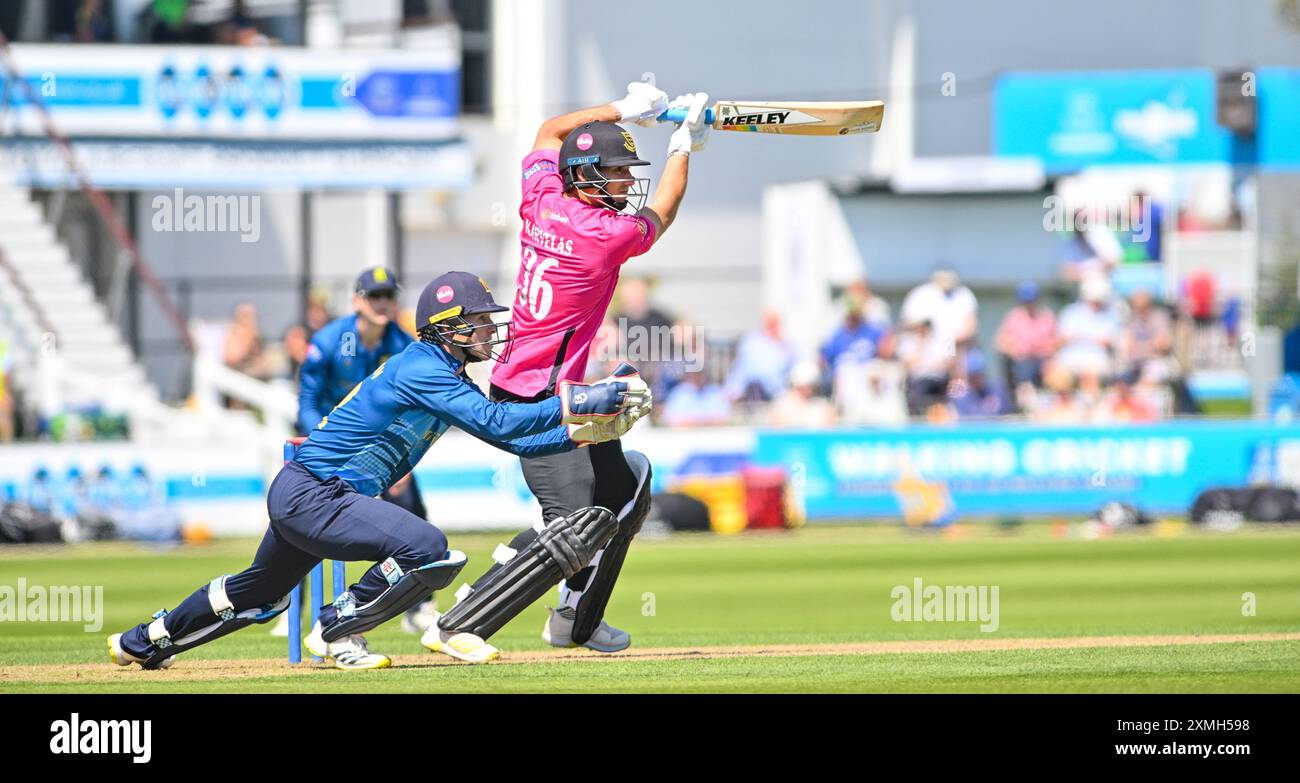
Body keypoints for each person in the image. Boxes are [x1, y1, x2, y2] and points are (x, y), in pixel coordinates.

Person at [107, 271, 651, 671]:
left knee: (259, 594)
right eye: (479, 322)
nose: (490, 331)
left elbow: (505, 433)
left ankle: (145, 639)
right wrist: (578, 399)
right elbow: (497, 418)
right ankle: (333, 629)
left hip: (314, 494)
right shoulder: (423, 368)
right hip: (317, 494)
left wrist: (592, 428)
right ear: (449, 329)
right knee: (431, 550)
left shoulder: (446, 375)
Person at [443, 81, 709, 656]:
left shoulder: (542, 199)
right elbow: (661, 212)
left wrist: (623, 110)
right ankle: (463, 619)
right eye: (616, 173)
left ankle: (575, 619)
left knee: (626, 488)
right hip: (537, 401)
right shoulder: (602, 236)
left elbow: (547, 133)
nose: (626, 183)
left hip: (550, 391)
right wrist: (683, 147)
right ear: (586, 178)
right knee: (573, 524)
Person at [296, 267, 436, 634]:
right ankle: (291, 610)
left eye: (389, 295)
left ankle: (418, 606)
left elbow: (413, 411)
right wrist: (329, 445)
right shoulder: (328, 342)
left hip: (382, 448)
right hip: (328, 447)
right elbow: (307, 404)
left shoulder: (403, 345)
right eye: (374, 296)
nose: (383, 303)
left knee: (414, 513)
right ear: (357, 300)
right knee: (304, 528)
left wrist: (402, 461)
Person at [725, 310, 797, 403]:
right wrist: (732, 390)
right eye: (768, 323)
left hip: (778, 396)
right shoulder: (752, 342)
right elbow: (740, 369)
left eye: (774, 323)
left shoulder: (788, 345)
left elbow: (795, 370)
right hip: (751, 394)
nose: (771, 327)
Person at [995, 281, 1056, 390]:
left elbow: (1057, 341)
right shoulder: (1013, 317)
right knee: (1023, 369)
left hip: (1044, 360)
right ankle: (1025, 399)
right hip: (1021, 361)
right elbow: (1000, 342)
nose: (1029, 303)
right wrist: (1015, 351)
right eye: (1026, 301)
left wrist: (1044, 351)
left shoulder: (1047, 316)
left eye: (1032, 300)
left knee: (1054, 371)